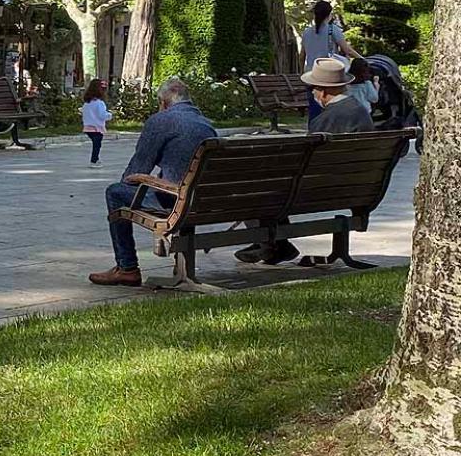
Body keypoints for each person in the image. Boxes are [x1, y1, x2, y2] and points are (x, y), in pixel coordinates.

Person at [233, 57, 375, 265]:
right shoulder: (360, 111)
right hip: (353, 188)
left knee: (259, 184)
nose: (313, 95)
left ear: (324, 91)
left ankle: (271, 245)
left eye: (314, 90)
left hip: (317, 190)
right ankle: (274, 244)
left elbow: (305, 161)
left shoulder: (325, 120)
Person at [89, 78, 216, 287]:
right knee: (181, 186)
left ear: (165, 101)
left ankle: (126, 267)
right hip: (204, 201)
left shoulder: (161, 120)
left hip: (177, 201)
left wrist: (140, 182)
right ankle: (179, 261)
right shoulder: (206, 124)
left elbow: (137, 171)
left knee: (115, 192)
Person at [300, 0, 361, 121]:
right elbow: (347, 50)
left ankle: (314, 131)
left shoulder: (306, 32)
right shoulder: (333, 30)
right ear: (330, 14)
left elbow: (302, 55)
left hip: (311, 75)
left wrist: (302, 72)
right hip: (329, 76)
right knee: (333, 105)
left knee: (314, 108)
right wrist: (362, 58)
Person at [305, 57, 376, 134]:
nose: (312, 92)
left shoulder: (321, 122)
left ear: (322, 92)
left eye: (312, 88)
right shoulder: (362, 111)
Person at [81, 79, 112, 169]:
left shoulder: (87, 103)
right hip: (97, 127)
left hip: (88, 127)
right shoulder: (99, 103)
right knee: (97, 145)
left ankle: (96, 159)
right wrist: (110, 115)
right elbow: (102, 115)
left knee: (96, 144)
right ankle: (94, 161)